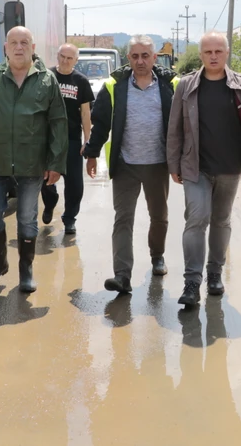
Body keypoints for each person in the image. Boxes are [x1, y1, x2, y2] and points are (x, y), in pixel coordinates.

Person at [167, 32, 241, 307]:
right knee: (196, 218)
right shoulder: (187, 85)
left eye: (218, 51)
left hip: (230, 167)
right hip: (195, 166)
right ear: (201, 55)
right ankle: (192, 282)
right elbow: (174, 127)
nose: (213, 56)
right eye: (208, 52)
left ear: (227, 53)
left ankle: (215, 273)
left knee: (221, 220)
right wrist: (173, 163)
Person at [0, 26, 68, 294]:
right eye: (14, 43)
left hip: (32, 162)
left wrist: (56, 163)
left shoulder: (47, 80)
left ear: (33, 47)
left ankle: (26, 270)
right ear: (6, 48)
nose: (19, 47)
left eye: (24, 42)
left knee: (27, 218)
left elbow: (58, 123)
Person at [83, 35, 179, 294]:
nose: (140, 61)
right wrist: (91, 154)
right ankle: (122, 275)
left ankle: (157, 256)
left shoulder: (171, 85)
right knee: (123, 219)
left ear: (154, 57)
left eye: (145, 56)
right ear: (128, 58)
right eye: (135, 56)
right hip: (125, 164)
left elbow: (183, 124)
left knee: (159, 217)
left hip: (158, 164)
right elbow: (101, 123)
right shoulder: (114, 86)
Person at [41, 43, 94, 234]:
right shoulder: (46, 77)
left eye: (69, 58)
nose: (65, 61)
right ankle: (50, 203)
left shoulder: (81, 81)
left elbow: (85, 113)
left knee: (75, 186)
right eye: (62, 56)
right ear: (57, 56)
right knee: (45, 181)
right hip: (48, 140)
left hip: (71, 139)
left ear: (76, 60)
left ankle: (70, 218)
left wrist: (87, 140)